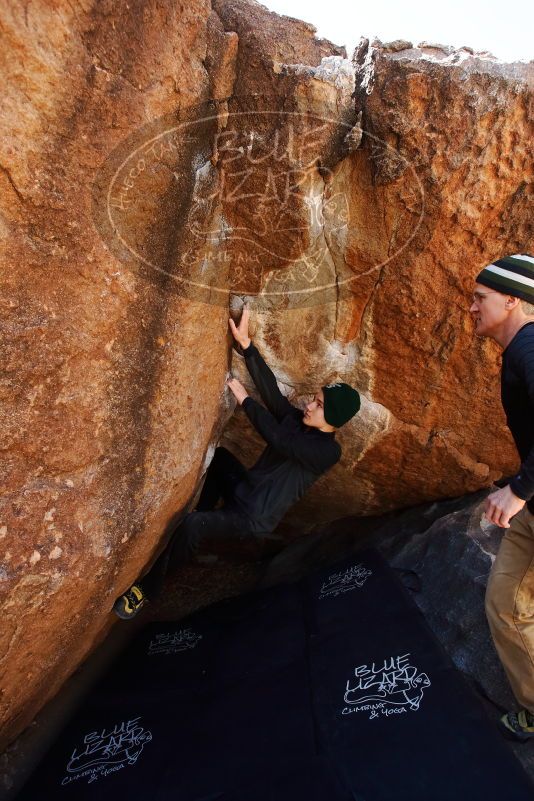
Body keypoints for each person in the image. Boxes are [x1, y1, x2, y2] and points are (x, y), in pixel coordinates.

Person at [113, 304, 360, 619]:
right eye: (315, 398)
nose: (310, 404)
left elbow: (281, 441)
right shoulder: (301, 422)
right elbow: (274, 398)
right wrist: (247, 347)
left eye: (319, 403)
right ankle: (194, 534)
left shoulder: (327, 452)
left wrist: (243, 399)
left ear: (333, 418)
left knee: (191, 525)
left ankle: (146, 591)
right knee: (219, 461)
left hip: (252, 518)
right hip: (244, 489)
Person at [469, 253, 534, 741]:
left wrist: (518, 490)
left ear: (514, 299)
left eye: (480, 298)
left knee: (507, 606)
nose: (471, 308)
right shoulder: (521, 351)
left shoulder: (530, 346)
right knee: (506, 603)